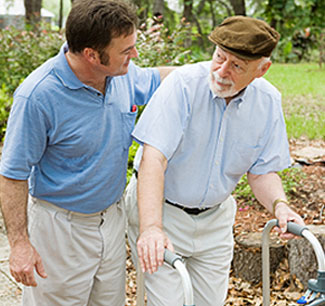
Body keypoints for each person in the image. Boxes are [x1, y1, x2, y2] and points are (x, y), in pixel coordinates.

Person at [0, 0, 173, 305]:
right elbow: (12, 174)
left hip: (111, 219)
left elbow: (163, 79)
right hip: (60, 230)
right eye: (126, 50)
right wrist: (20, 244)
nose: (134, 55)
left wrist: (216, 71)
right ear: (92, 55)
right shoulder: (38, 95)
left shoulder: (123, 74)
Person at [125, 16, 305, 306]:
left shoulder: (268, 101)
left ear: (262, 69)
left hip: (216, 218)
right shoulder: (182, 85)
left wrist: (280, 205)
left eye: (236, 66)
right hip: (162, 211)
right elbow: (153, 160)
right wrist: (151, 229)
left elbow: (261, 173)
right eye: (219, 57)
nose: (221, 71)